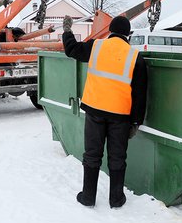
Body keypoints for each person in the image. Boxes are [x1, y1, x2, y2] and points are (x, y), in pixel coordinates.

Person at [62, 15, 147, 208]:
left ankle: (88, 197)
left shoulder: (96, 47)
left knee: (92, 155)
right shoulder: (135, 57)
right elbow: (140, 94)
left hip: (95, 112)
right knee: (117, 157)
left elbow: (72, 50)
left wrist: (67, 31)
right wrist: (136, 122)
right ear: (128, 35)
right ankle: (116, 199)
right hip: (120, 117)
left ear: (110, 31)